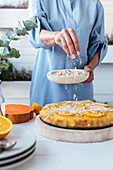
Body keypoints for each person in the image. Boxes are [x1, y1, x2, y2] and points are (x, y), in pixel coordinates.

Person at [28, 0, 108, 106]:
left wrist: (91, 66)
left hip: (81, 90)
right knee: (43, 120)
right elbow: (34, 33)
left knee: (82, 120)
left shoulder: (95, 5)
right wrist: (55, 37)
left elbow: (98, 45)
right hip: (47, 88)